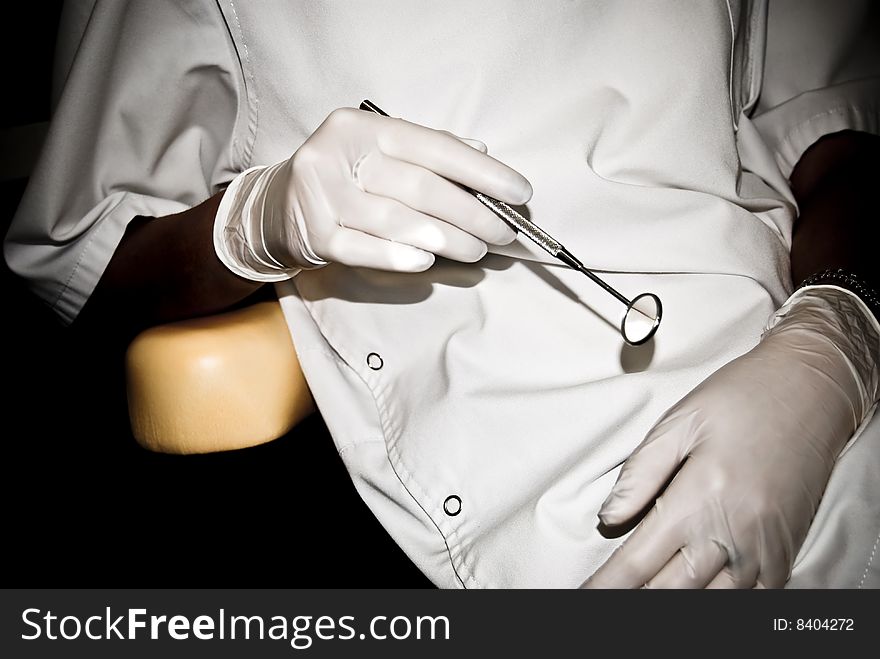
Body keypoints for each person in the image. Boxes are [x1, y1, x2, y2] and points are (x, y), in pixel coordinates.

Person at [6, 0, 880, 588]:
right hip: (575, 466)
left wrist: (835, 341)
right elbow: (83, 267)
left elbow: (840, 131)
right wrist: (256, 223)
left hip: (799, 332)